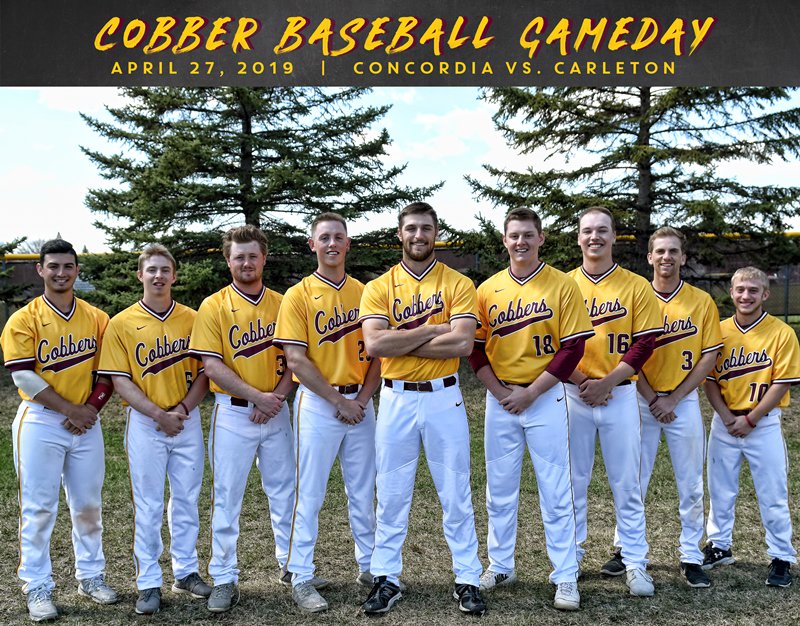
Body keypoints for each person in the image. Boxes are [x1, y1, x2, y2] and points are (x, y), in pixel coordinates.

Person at [358, 201, 486, 616]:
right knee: (391, 493)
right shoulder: (379, 286)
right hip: (395, 398)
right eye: (411, 228)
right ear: (400, 234)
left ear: (436, 233)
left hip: (443, 396)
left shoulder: (458, 283)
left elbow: (462, 343)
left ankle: (467, 577)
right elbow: (375, 344)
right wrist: (433, 329)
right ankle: (386, 578)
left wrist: (401, 339)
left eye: (426, 228)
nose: (418, 235)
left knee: (456, 491)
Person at [469, 208, 593, 611]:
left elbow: (573, 348)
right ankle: (501, 565)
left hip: (546, 397)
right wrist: (499, 391)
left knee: (556, 490)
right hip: (501, 398)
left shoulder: (562, 284)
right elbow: (474, 348)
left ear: (541, 238)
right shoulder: (488, 289)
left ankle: (565, 575)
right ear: (504, 240)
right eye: (514, 235)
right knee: (499, 489)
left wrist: (532, 392)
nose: (520, 242)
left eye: (528, 235)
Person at [189, 225, 309, 613]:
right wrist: (259, 397)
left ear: (264, 258)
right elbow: (211, 366)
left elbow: (296, 359)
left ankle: (293, 568)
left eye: (252, 255)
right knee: (227, 497)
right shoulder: (213, 306)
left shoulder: (283, 303)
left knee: (286, 492)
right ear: (228, 261)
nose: (246, 262)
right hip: (233, 413)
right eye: (238, 256)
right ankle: (224, 577)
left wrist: (276, 398)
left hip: (277, 411)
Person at [1, 239, 119, 622]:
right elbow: (22, 374)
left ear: (77, 270)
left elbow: (108, 372)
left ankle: (91, 576)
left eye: (68, 266)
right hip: (40, 421)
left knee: (88, 506)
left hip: (85, 421)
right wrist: (71, 409)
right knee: (38, 509)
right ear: (40, 270)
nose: (61, 272)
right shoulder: (24, 318)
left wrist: (90, 410)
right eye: (53, 266)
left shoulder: (97, 318)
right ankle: (37, 585)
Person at [274, 212, 381, 613]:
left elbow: (379, 355)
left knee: (364, 490)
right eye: (324, 237)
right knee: (310, 492)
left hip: (361, 403)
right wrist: (340, 402)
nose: (332, 243)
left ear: (348, 244)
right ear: (312, 245)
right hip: (320, 403)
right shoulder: (298, 294)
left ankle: (370, 566)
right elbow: (296, 361)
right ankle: (301, 574)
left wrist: (362, 400)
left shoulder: (366, 292)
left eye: (339, 237)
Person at [603, 228, 722, 588]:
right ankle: (625, 548)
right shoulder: (637, 296)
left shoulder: (701, 301)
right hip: (640, 400)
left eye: (673, 251)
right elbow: (628, 354)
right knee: (633, 479)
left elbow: (708, 357)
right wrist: (654, 397)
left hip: (683, 400)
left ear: (683, 257)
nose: (666, 257)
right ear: (650, 257)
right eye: (660, 251)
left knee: (691, 482)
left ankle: (690, 555)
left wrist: (674, 398)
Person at [97, 244, 211, 614]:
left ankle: (186, 571)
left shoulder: (193, 318)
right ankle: (148, 582)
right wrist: (158, 414)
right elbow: (120, 380)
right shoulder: (121, 323)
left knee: (187, 498)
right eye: (152, 270)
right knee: (147, 504)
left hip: (185, 419)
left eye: (164, 270)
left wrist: (182, 409)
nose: (158, 276)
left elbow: (206, 372)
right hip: (146, 423)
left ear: (174, 276)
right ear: (140, 275)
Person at [566, 207, 662, 597]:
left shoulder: (636, 285)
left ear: (614, 236)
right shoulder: (564, 284)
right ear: (578, 238)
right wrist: (584, 382)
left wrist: (606, 382)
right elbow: (554, 345)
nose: (595, 237)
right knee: (573, 480)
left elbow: (645, 342)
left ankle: (635, 562)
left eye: (602, 230)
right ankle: (570, 558)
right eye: (588, 230)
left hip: (620, 393)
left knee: (627, 482)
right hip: (573, 393)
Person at [703, 266, 800, 587]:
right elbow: (710, 380)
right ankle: (719, 545)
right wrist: (726, 416)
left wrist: (751, 419)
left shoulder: (781, 332)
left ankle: (781, 555)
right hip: (725, 421)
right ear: (732, 292)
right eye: (741, 289)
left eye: (753, 290)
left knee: (773, 493)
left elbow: (782, 383)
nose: (746, 296)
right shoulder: (718, 331)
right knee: (720, 489)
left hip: (763, 424)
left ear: (765, 294)